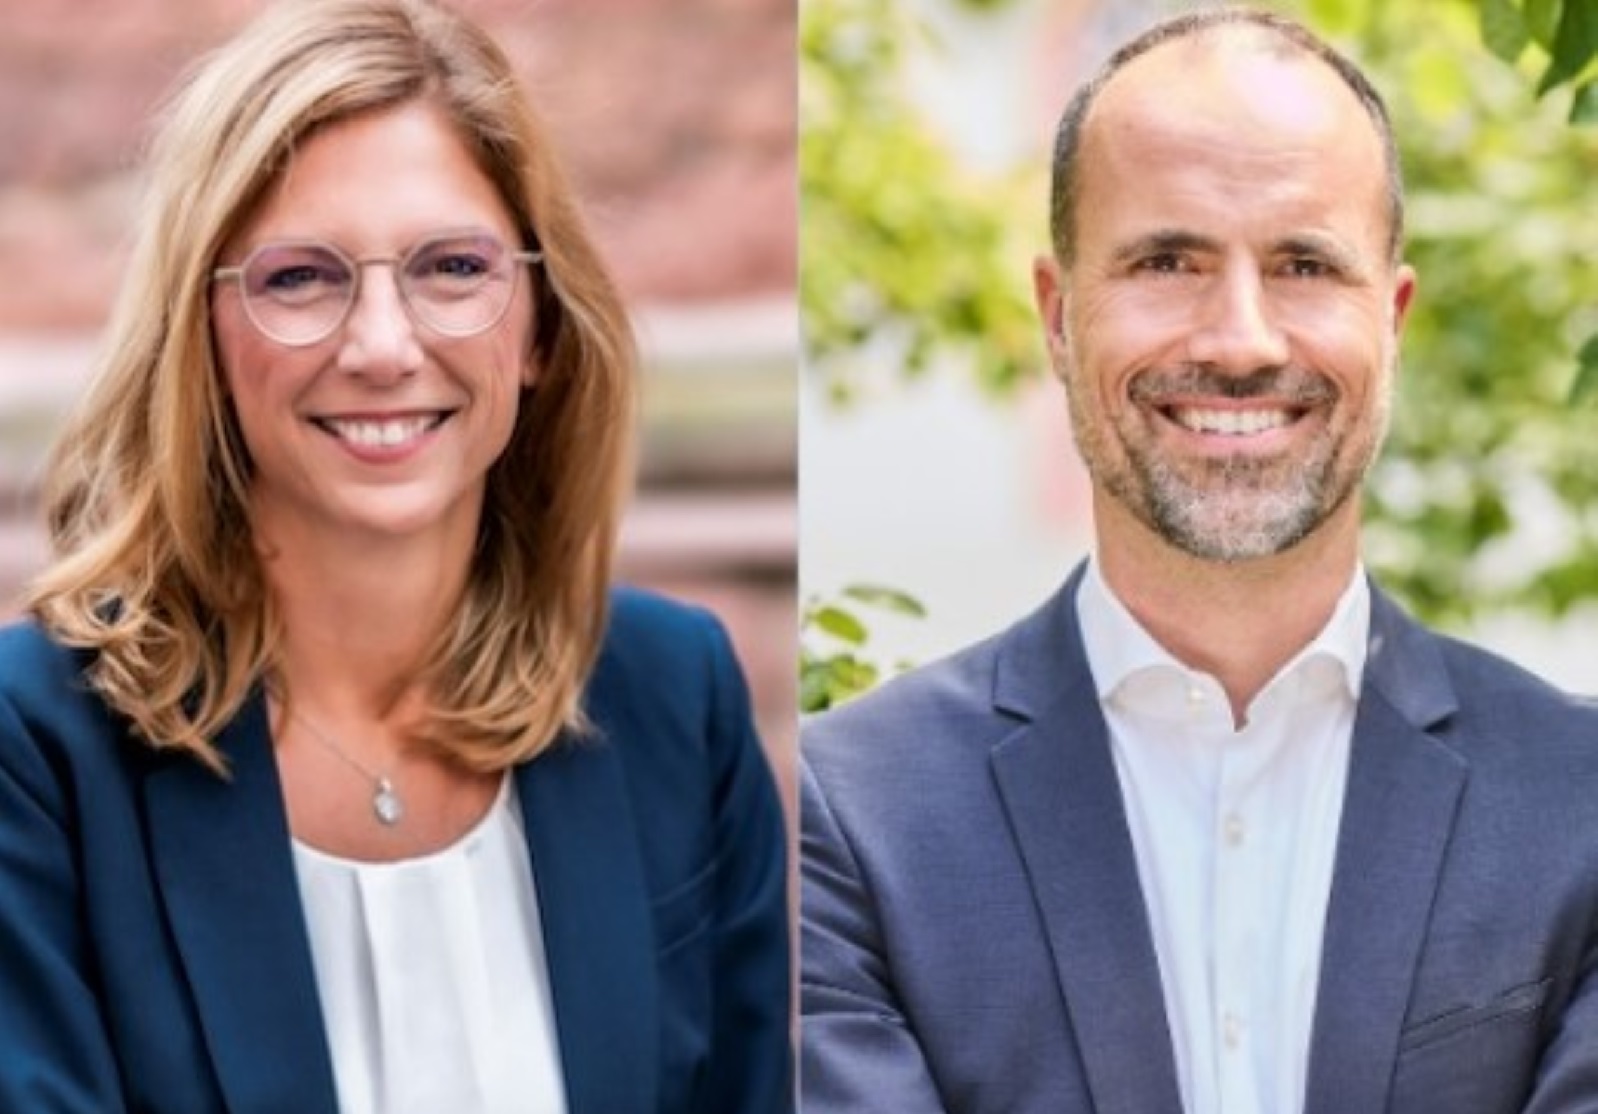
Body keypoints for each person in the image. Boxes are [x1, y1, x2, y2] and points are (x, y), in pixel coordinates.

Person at [801, 8, 1598, 1114]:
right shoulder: (832, 814)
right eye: (1166, 260)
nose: (1239, 340)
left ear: (1392, 317)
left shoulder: (1580, 799)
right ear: (1057, 314)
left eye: (1303, 264)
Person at [0, 1, 792, 1111]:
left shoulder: (671, 699)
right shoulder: (36, 744)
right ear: (202, 338)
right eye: (299, 278)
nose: (382, 344)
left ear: (541, 332)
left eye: (451, 267)